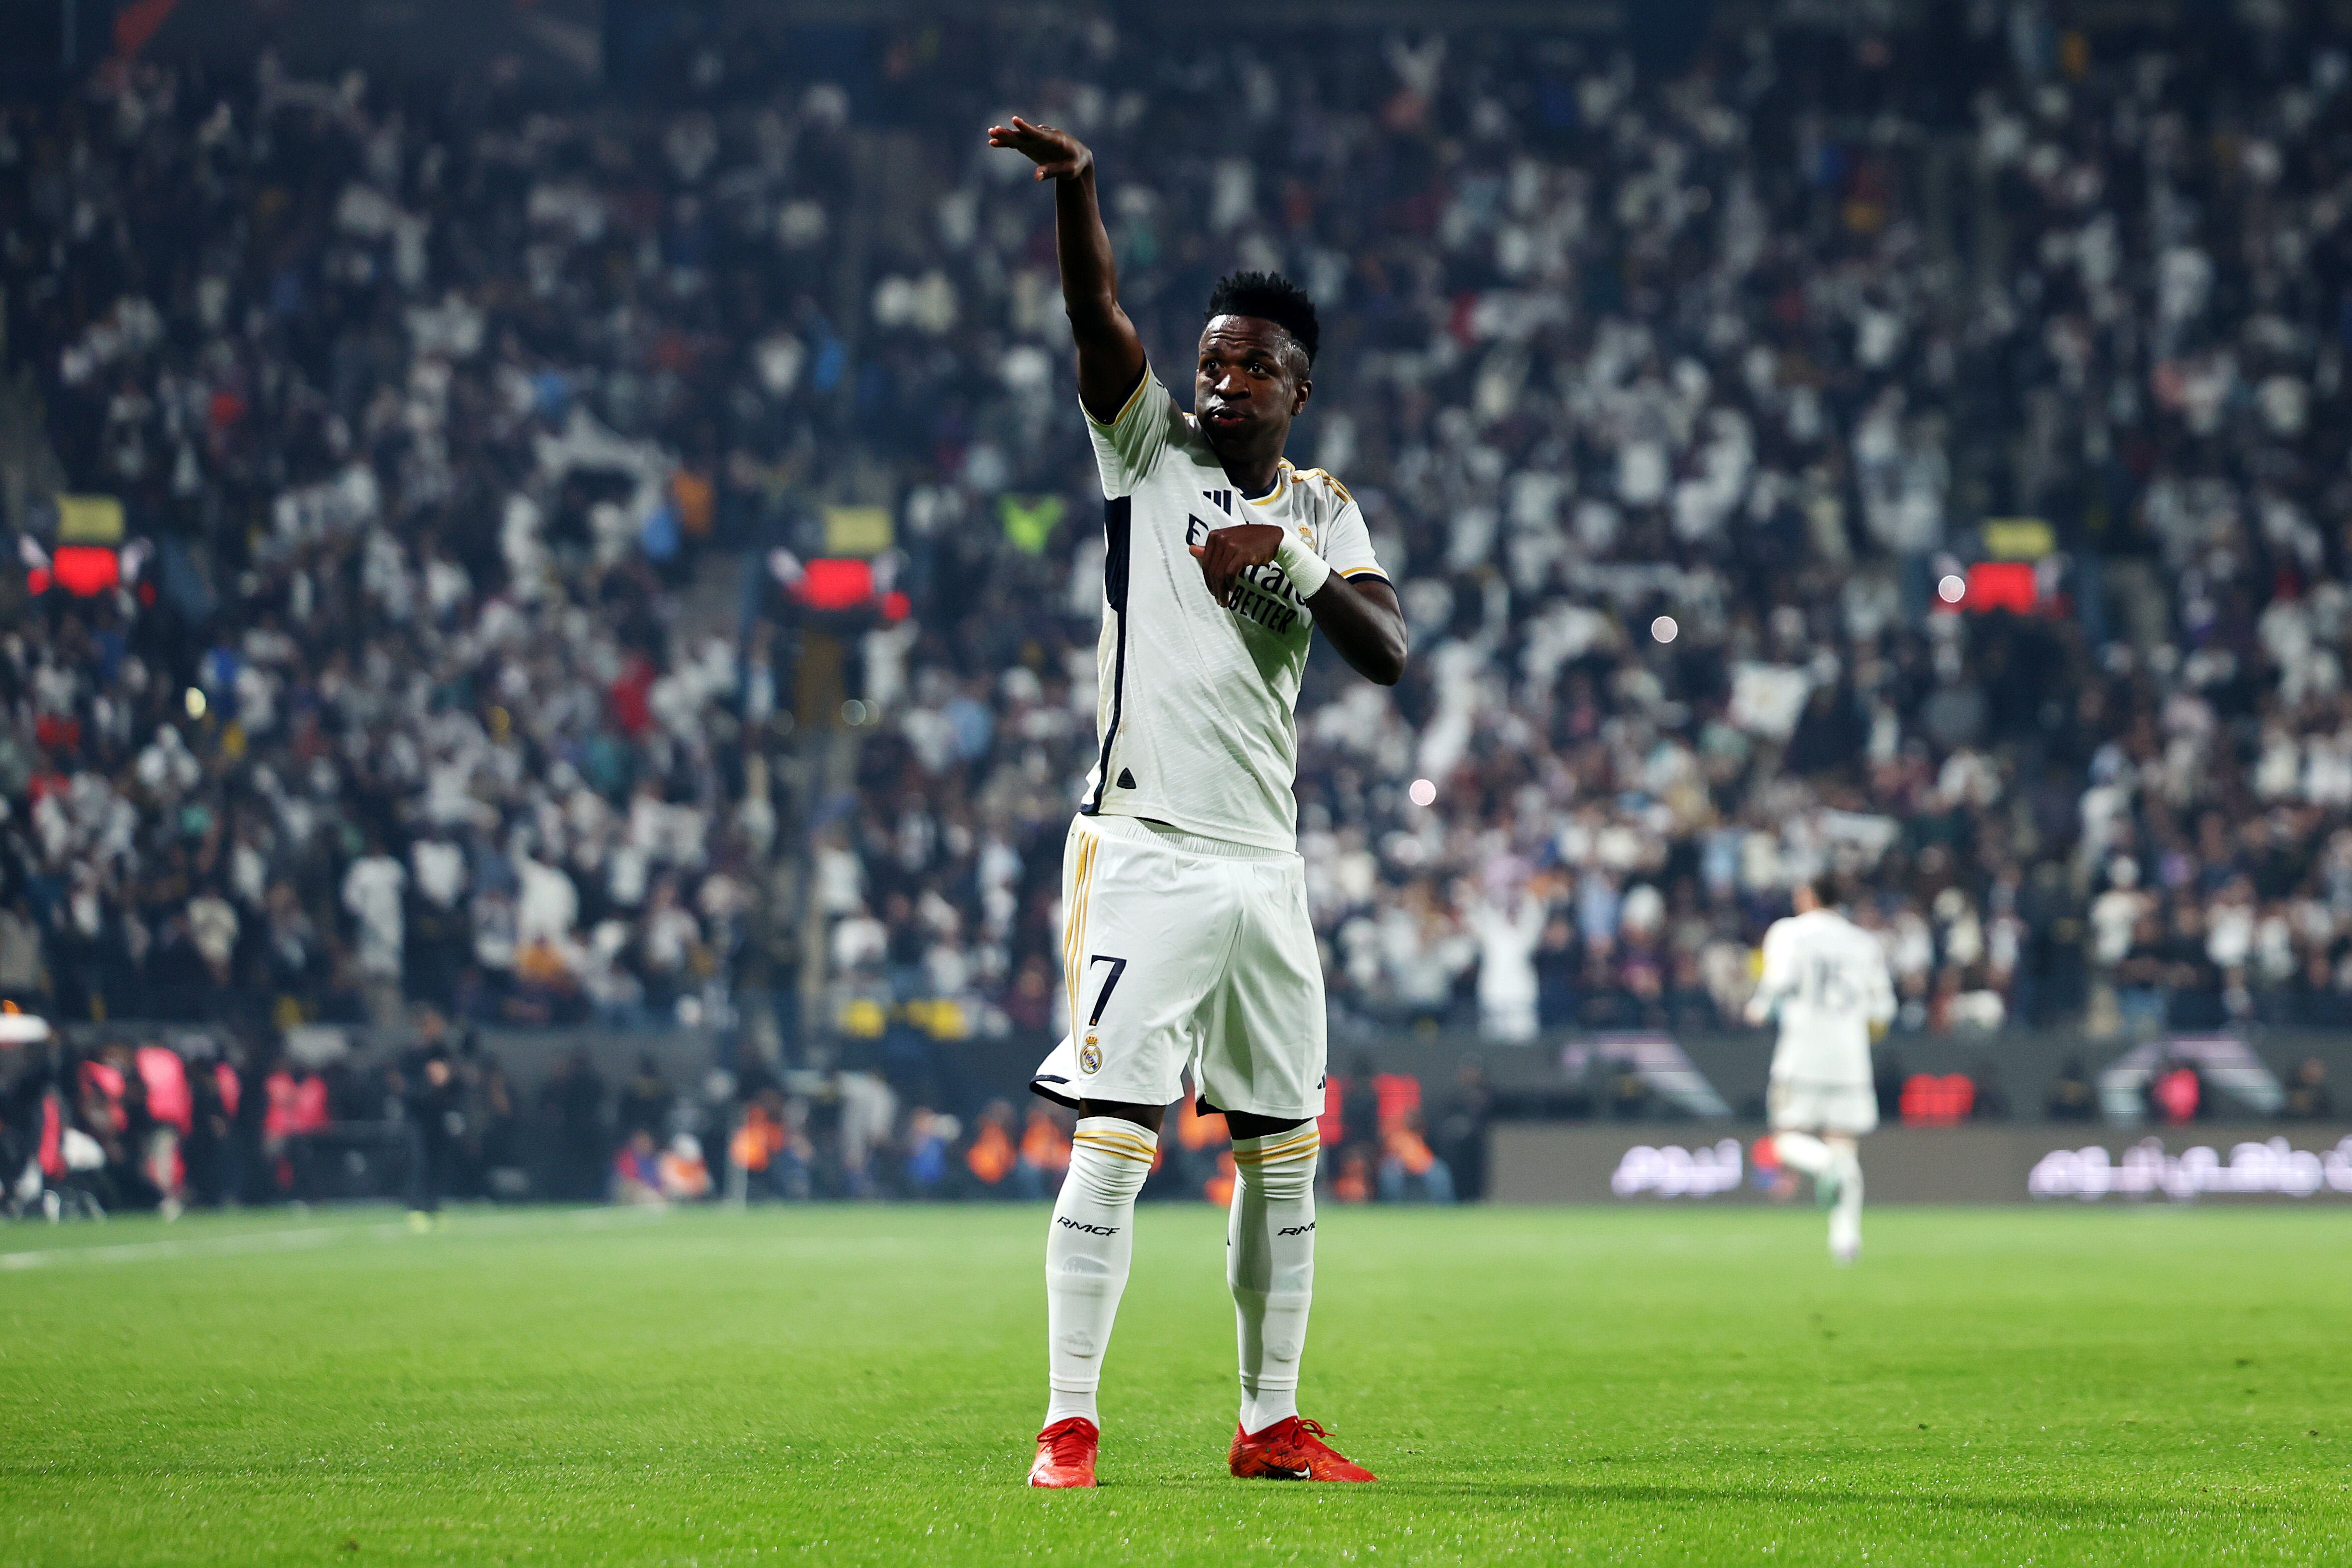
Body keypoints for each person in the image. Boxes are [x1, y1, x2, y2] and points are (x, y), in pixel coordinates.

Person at [989, 114, 1407, 1490]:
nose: (1222, 379)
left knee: (1282, 1153)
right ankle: (1067, 1421)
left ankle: (1267, 1419)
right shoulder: (1145, 449)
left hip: (1263, 866)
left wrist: (1287, 560)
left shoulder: (1324, 509)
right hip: (1145, 849)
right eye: (1213, 358)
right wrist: (1077, 192)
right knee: (1115, 1136)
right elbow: (1093, 315)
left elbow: (1386, 651)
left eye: (1252, 365)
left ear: (1298, 391)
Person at [1744, 877, 1896, 1265]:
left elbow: (1777, 983)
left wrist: (1758, 1008)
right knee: (1844, 1144)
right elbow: (1883, 1010)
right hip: (1850, 1060)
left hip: (1802, 1055)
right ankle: (1846, 1240)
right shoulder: (1864, 942)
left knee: (1784, 1140)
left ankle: (1825, 1165)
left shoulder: (1790, 932)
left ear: (1809, 897)